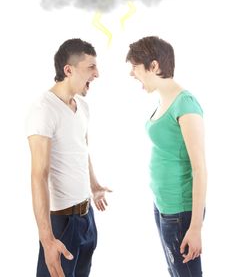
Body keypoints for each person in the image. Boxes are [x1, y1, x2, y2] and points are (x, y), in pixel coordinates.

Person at [26, 38, 111, 277]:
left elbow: (82, 150)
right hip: (61, 223)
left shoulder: (82, 107)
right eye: (91, 67)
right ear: (68, 70)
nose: (97, 74)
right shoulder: (43, 110)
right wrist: (47, 240)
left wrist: (94, 186)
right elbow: (38, 176)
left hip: (86, 218)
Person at [126, 36, 207, 276]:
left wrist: (195, 228)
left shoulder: (186, 104)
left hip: (181, 212)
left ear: (154, 66)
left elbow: (200, 169)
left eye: (135, 67)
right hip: (163, 205)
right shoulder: (164, 101)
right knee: (174, 271)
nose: (132, 74)